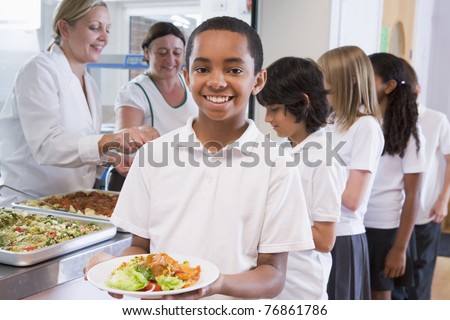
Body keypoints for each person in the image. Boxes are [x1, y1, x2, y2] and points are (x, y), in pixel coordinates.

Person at [84, 16, 315, 299]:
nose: (217, 82)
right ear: (187, 75)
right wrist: (116, 270)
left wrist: (217, 284)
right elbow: (140, 249)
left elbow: (274, 275)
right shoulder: (154, 155)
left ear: (258, 80)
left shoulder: (277, 166)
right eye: (203, 68)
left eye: (234, 69)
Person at [0, 0, 154, 207]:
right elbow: (46, 146)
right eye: (94, 27)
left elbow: (80, 146)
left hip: (71, 203)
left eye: (107, 29)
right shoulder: (39, 70)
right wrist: (108, 141)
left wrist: (110, 157)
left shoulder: (89, 83)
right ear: (65, 27)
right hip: (29, 204)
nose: (104, 38)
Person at [256, 56, 346, 299]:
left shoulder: (324, 159)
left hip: (301, 288)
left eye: (274, 109)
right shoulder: (283, 149)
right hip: (274, 280)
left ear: (303, 103)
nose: (267, 119)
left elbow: (325, 240)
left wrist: (268, 221)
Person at [317, 46, 384, 300]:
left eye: (327, 79)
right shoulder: (331, 122)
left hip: (344, 237)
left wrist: (311, 185)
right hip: (320, 231)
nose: (322, 86)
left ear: (349, 80)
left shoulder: (365, 127)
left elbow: (353, 200)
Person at [106, 22, 198, 191]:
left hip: (185, 179)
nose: (170, 59)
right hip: (147, 182)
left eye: (177, 52)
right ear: (147, 53)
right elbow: (123, 142)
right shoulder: (134, 92)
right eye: (162, 53)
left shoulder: (192, 85)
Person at [365, 52, 427, 300]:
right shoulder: (361, 122)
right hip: (354, 224)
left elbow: (413, 196)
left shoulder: (409, 133)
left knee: (380, 297)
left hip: (385, 229)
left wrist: (400, 248)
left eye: (369, 77)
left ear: (389, 86)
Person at [393, 58, 450, 300]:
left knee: (421, 279)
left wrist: (443, 199)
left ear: (418, 90)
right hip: (395, 215)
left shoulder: (436, 120)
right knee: (397, 284)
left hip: (426, 212)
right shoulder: (391, 119)